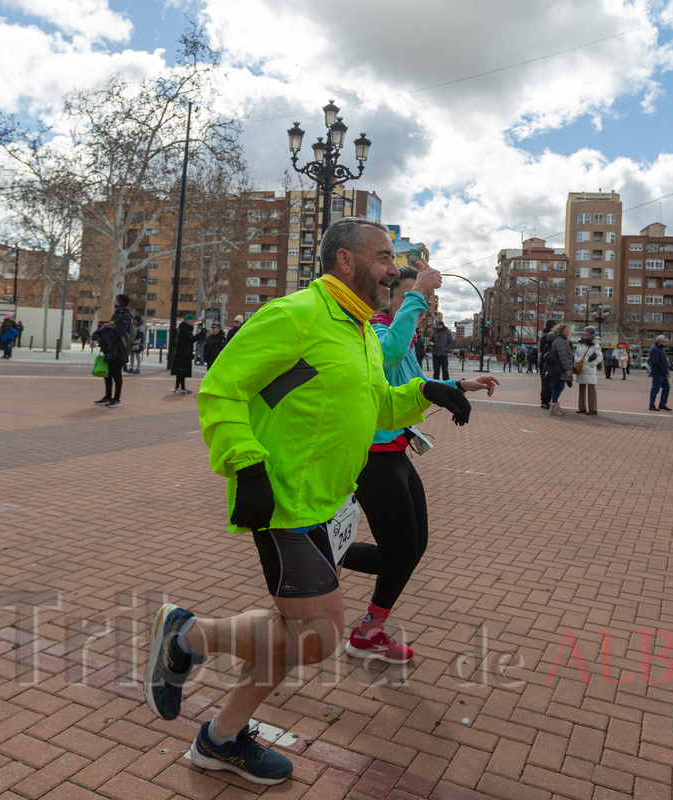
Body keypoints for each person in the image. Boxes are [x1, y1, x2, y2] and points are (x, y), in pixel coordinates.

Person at [143, 217, 472, 785]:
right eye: (383, 257)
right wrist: (244, 463)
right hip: (284, 502)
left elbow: (374, 410)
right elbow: (222, 387)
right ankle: (189, 641)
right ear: (345, 260)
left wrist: (426, 392)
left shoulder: (363, 330)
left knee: (299, 632)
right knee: (317, 636)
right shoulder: (295, 316)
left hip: (327, 502)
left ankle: (218, 733)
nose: (395, 269)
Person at [344, 264, 498, 664]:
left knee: (414, 546)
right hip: (372, 456)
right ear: (389, 297)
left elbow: (413, 380)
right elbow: (388, 355)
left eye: (422, 298)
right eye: (410, 296)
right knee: (399, 553)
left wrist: (462, 385)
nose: (420, 304)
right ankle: (318, 549)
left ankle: (369, 630)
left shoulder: (402, 334)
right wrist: (418, 295)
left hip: (396, 449)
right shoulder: (371, 329)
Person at [543, 323, 575, 416]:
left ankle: (555, 404)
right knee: (559, 387)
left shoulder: (562, 340)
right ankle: (554, 406)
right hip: (560, 368)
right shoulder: (560, 341)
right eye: (566, 329)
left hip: (559, 367)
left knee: (559, 386)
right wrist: (566, 368)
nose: (568, 330)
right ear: (561, 330)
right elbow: (563, 356)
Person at [574, 327, 600, 415]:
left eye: (587, 332)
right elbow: (576, 354)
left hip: (589, 370)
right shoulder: (580, 343)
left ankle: (593, 408)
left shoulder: (595, 344)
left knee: (591, 389)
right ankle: (582, 408)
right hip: (580, 368)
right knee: (581, 388)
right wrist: (577, 361)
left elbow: (600, 357)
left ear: (591, 333)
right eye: (584, 331)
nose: (585, 333)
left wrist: (591, 364)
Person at [170, 315, 196, 394]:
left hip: (184, 353)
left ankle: (182, 387)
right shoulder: (185, 330)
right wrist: (199, 336)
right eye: (193, 321)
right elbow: (189, 341)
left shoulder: (185, 329)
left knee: (183, 372)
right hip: (182, 354)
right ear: (189, 321)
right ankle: (177, 387)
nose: (194, 322)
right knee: (180, 371)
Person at [648, 335, 673, 411]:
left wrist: (666, 371)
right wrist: (664, 370)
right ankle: (651, 405)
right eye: (664, 342)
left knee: (666, 388)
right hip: (657, 373)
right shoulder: (655, 349)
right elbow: (655, 363)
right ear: (660, 341)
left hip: (662, 373)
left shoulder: (660, 349)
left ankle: (662, 404)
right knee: (655, 389)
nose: (665, 344)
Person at [538, 320, 557, 408]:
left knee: (545, 382)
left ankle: (545, 401)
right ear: (553, 326)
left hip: (544, 361)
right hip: (547, 362)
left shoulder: (544, 335)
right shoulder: (548, 336)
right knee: (547, 383)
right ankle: (545, 401)